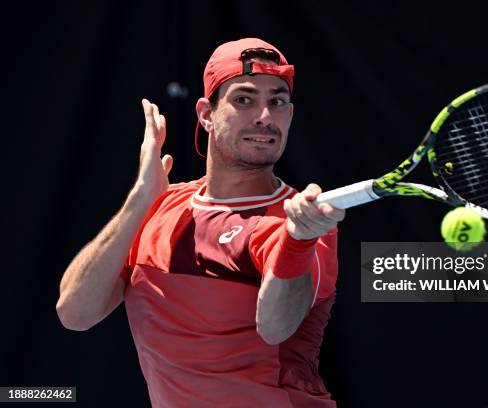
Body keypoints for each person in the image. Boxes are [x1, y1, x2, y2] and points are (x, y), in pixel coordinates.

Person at [56, 37, 345, 407]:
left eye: (277, 102)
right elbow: (75, 313)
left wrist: (300, 241)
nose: (264, 117)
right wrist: (141, 197)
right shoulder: (161, 207)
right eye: (244, 99)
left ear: (290, 114)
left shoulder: (300, 220)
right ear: (206, 113)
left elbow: (276, 328)